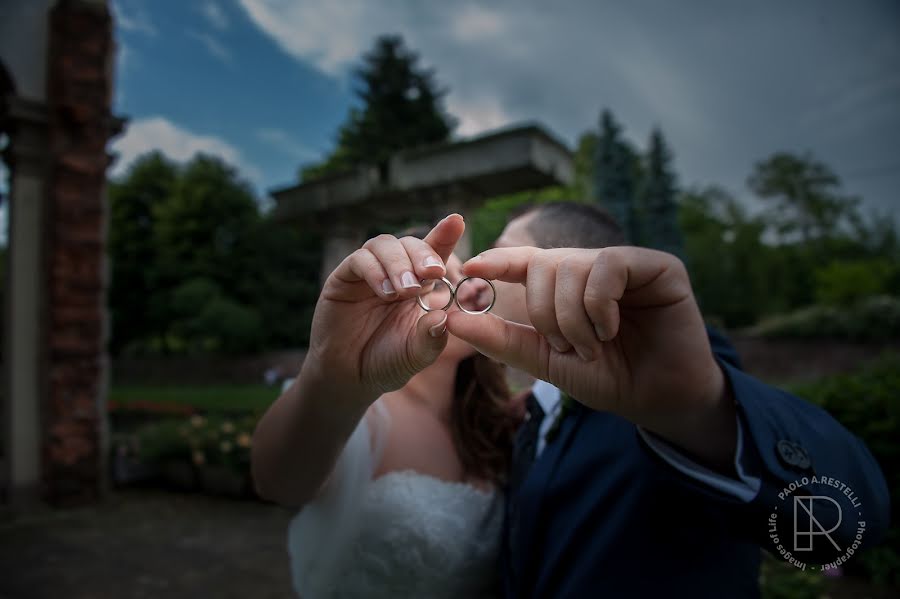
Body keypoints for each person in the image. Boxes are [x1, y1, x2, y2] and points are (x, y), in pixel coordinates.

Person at [445, 201, 891, 598]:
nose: (478, 276)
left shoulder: (670, 378)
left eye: (500, 255)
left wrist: (699, 412)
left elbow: (844, 529)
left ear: (562, 268)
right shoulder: (529, 415)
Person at [251, 214, 518, 598]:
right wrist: (335, 378)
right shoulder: (359, 412)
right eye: (442, 285)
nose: (470, 292)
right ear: (395, 308)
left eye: (468, 281)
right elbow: (278, 483)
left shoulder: (496, 418)